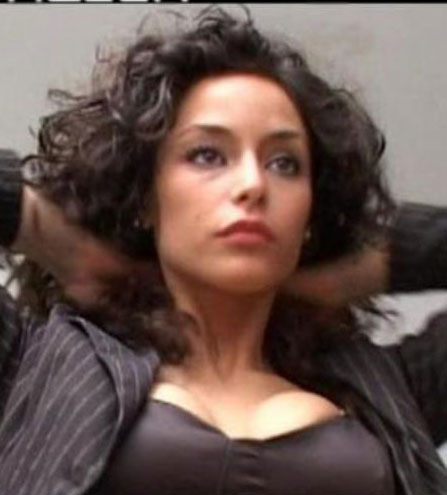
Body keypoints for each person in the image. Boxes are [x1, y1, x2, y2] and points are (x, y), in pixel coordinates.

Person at [0, 7, 446, 495]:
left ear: (312, 209)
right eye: (207, 154)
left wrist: (363, 268)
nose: (253, 184)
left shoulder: (393, 389)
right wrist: (48, 232)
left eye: (284, 163)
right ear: (145, 197)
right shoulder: (32, 361)